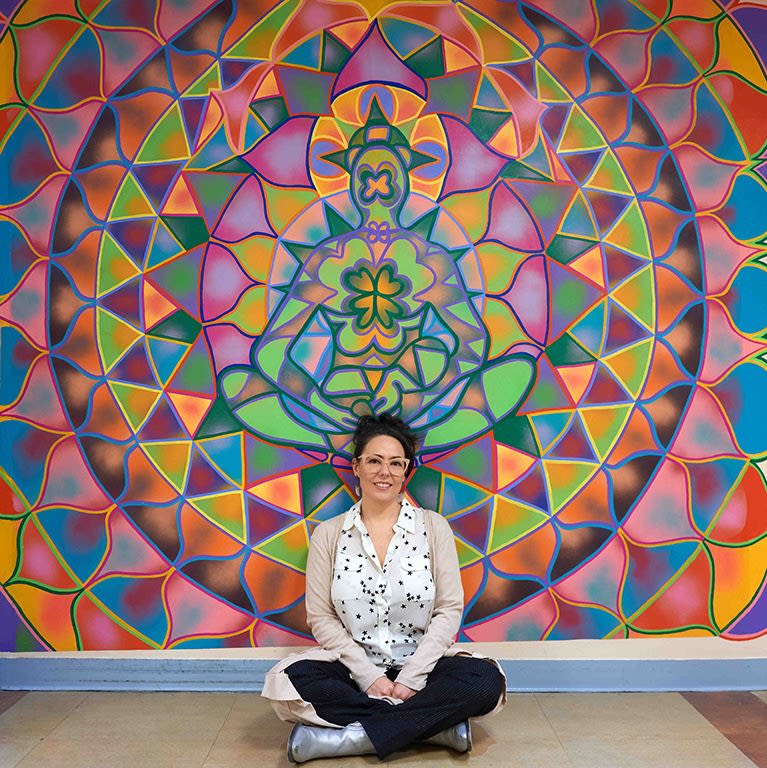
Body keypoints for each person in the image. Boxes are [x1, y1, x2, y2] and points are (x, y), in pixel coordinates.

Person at [262, 413, 506, 762]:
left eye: (396, 463)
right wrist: (369, 677)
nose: (385, 472)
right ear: (356, 466)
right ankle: (437, 728)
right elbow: (321, 617)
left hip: (424, 666)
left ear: (407, 471)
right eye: (374, 461)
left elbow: (449, 610)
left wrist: (410, 679)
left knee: (484, 681)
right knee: (288, 682)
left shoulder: (433, 528)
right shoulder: (328, 535)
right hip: (351, 669)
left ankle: (349, 739)